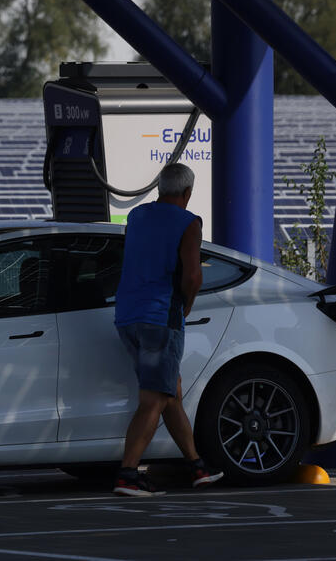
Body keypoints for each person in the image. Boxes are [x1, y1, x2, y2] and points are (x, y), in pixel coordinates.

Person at [111, 163, 224, 497]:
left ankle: (195, 467)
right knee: (153, 399)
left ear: (160, 188)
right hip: (161, 316)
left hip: (127, 315)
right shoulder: (189, 222)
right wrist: (186, 305)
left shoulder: (137, 216)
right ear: (188, 193)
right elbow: (192, 276)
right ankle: (128, 474)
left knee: (169, 391)